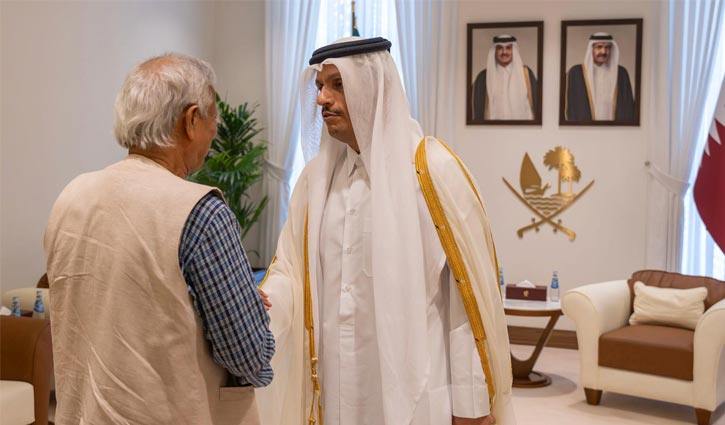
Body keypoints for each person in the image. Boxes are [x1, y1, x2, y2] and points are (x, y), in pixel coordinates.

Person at [256, 37, 514, 425]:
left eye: (338, 85)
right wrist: (261, 301)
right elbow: (291, 272)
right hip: (335, 388)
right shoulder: (315, 181)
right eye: (320, 86)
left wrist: (471, 406)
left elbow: (465, 300)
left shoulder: (431, 171)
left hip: (414, 393)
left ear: (374, 88)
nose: (322, 99)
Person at [44, 54, 274, 425]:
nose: (215, 134)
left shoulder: (71, 196)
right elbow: (249, 357)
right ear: (191, 120)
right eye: (213, 120)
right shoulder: (201, 211)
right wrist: (247, 310)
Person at [565, 32, 635, 121]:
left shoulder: (621, 73)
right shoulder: (576, 73)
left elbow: (628, 107)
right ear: (591, 49)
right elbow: (571, 107)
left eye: (607, 47)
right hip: (584, 128)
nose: (603, 51)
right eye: (599, 47)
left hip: (615, 128)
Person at [471, 35, 537, 121]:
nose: (504, 52)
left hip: (523, 128)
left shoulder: (526, 74)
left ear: (513, 51)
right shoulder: (483, 77)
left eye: (508, 48)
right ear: (495, 51)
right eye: (500, 48)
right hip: (491, 128)